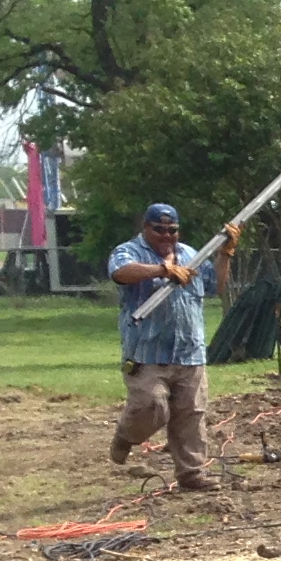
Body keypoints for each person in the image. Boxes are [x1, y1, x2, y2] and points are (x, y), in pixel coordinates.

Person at [107, 202, 231, 490]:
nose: (166, 236)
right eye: (159, 229)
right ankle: (127, 435)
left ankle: (192, 474)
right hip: (146, 352)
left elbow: (216, 286)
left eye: (172, 230)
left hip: (189, 351)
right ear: (146, 228)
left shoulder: (191, 255)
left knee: (191, 414)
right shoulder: (129, 251)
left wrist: (227, 253)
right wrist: (162, 270)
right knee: (151, 406)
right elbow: (120, 272)